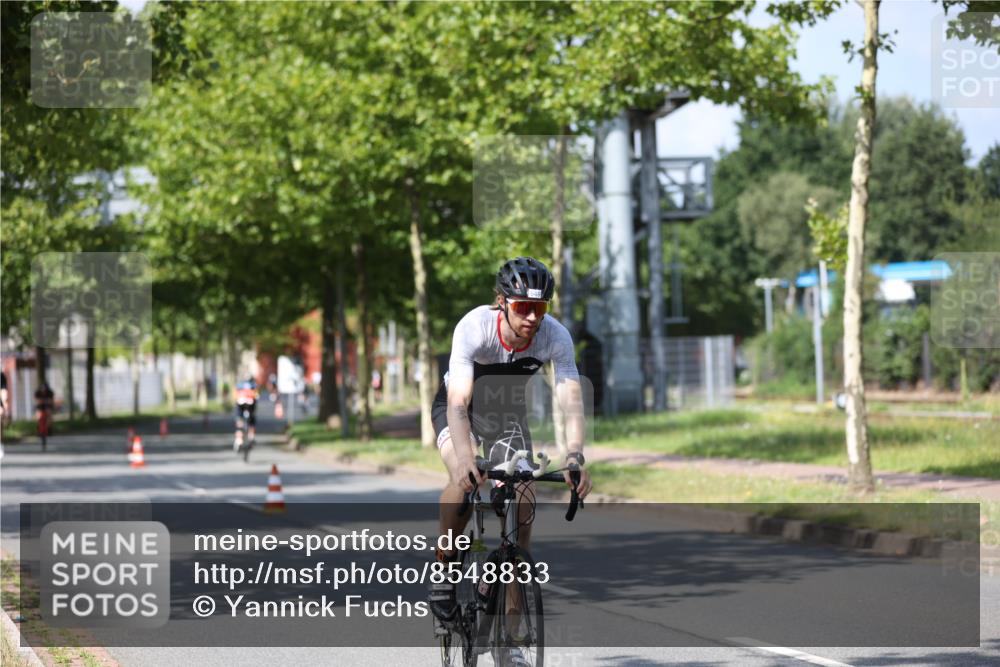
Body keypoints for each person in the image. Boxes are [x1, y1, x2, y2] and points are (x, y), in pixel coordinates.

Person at [428, 256, 593, 663]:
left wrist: (575, 455)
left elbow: (571, 400)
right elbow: (459, 402)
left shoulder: (554, 336)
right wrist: (466, 458)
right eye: (523, 307)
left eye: (540, 307)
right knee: (463, 479)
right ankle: (444, 569)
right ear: (502, 302)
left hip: (506, 418)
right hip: (459, 411)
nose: (532, 317)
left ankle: (513, 640)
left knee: (522, 507)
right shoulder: (474, 327)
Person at [232, 376, 259, 451]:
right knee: (252, 420)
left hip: (240, 403)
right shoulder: (253, 385)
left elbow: (235, 395)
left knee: (239, 420)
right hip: (250, 404)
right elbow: (256, 396)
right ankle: (251, 437)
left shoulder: (240, 385)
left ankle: (239, 440)